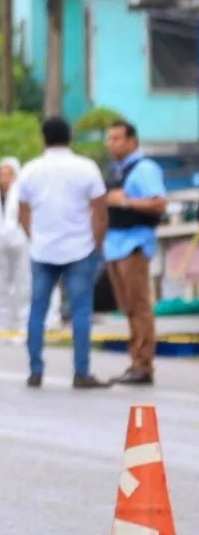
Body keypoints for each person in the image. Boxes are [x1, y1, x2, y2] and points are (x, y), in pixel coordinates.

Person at [16, 117, 111, 389]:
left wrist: (34, 236)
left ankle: (35, 371)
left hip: (43, 249)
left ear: (43, 138)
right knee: (81, 312)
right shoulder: (86, 168)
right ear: (70, 138)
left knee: (37, 311)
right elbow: (99, 210)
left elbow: (22, 211)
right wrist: (96, 242)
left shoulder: (30, 170)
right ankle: (81, 372)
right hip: (80, 248)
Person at [103, 119, 167, 385]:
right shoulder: (116, 170)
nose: (112, 144)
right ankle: (135, 360)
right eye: (110, 139)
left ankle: (143, 364)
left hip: (134, 244)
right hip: (114, 245)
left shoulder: (144, 168)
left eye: (118, 138)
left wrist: (126, 202)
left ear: (132, 141)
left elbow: (159, 202)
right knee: (127, 306)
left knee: (139, 305)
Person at [0, 157, 30, 340]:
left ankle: (21, 328)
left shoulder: (23, 193)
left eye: (9, 174)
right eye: (3, 174)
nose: (5, 178)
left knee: (22, 285)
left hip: (21, 243)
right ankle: (1, 328)